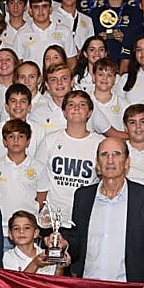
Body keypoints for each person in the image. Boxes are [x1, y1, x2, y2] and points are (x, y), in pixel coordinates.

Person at [63, 136, 144, 288]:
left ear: (127, 162)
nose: (110, 160)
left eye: (117, 154)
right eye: (104, 155)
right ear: (97, 164)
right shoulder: (83, 196)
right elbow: (78, 240)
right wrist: (63, 244)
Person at [33, 87, 102, 226]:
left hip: (87, 218)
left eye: (82, 104)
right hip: (53, 220)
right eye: (71, 104)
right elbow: (38, 179)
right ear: (64, 112)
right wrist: (38, 213)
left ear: (89, 112)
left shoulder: (100, 143)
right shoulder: (50, 140)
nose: (76, 108)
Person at [0, 123, 41, 229]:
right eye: (11, 136)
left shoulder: (38, 166)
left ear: (28, 141)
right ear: (4, 141)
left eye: (21, 136)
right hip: (1, 227)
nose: (16, 140)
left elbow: (41, 196)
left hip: (28, 229)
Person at [4, 209, 63, 276]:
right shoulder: (6, 257)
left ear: (36, 233)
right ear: (10, 234)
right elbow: (15, 284)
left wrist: (59, 268)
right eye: (16, 228)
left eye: (27, 228)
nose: (21, 231)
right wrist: (35, 264)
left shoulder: (46, 254)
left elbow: (54, 283)